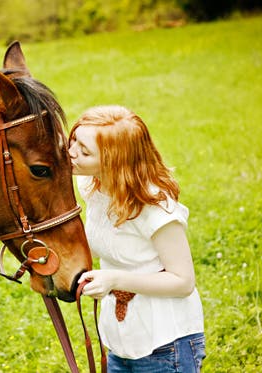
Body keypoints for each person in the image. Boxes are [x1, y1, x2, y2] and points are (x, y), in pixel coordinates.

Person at [68, 105, 205, 372]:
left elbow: (183, 281)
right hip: (121, 339)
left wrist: (114, 279)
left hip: (165, 342)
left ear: (114, 161)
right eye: (74, 140)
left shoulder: (154, 207)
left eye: (84, 151)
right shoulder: (92, 185)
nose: (71, 153)